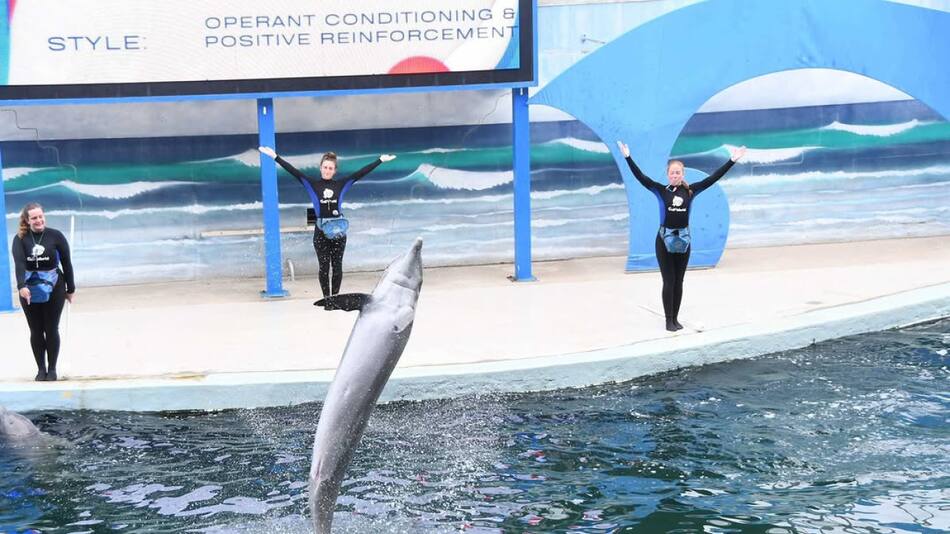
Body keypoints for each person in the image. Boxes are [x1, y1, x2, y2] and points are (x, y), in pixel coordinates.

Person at [617, 141, 746, 332]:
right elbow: (641, 177)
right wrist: (627, 157)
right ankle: (669, 320)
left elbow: (713, 178)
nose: (675, 175)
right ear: (668, 175)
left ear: (682, 175)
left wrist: (732, 160)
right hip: (664, 241)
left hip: (684, 242)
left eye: (678, 173)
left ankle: (676, 318)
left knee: (679, 281)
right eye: (672, 173)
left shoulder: (690, 191)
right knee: (668, 281)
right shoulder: (660, 190)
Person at [258, 146, 395, 308]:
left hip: (338, 232)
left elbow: (360, 173)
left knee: (337, 267)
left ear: (334, 170)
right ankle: (327, 300)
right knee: (324, 267)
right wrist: (275, 157)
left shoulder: (342, 185)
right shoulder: (312, 184)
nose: (327, 170)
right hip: (321, 232)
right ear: (320, 168)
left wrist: (379, 160)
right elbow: (293, 171)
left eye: (330, 168)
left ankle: (336, 299)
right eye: (325, 167)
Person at [11, 203, 75, 381]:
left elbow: (67, 263)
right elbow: (20, 264)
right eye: (34, 218)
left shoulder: (56, 236)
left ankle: (52, 369)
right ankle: (41, 369)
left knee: (51, 327)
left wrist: (71, 288)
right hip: (29, 288)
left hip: (55, 285)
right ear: (27, 220)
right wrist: (21, 286)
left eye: (40, 216)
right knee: (36, 329)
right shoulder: (20, 238)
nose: (39, 220)